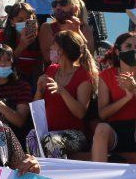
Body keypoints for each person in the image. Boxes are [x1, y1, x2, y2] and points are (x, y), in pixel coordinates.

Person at [27, 30, 97, 159]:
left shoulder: (83, 76)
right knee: (32, 136)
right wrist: (39, 90)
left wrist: (62, 91)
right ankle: (38, 171)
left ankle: (55, 171)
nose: (50, 48)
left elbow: (80, 112)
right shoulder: (51, 69)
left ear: (61, 50)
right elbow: (36, 107)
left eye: (54, 45)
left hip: (75, 135)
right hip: (49, 131)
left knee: (51, 141)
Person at [93, 32, 136, 164]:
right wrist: (126, 98)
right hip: (115, 132)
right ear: (118, 51)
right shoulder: (106, 75)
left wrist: (135, 87)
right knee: (101, 128)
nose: (133, 50)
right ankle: (99, 173)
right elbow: (103, 114)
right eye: (128, 46)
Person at [0, 43, 31, 139]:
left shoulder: (22, 86)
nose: (3, 64)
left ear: (13, 64)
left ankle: (2, 147)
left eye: (8, 60)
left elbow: (20, 121)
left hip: (15, 138)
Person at [37, 0, 96, 64]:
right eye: (54, 4)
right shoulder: (47, 27)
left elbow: (89, 56)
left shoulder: (84, 27)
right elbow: (48, 58)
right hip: (56, 70)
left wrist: (77, 32)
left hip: (79, 70)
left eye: (63, 3)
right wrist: (66, 37)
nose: (58, 7)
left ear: (75, 8)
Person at [0, 3, 42, 86]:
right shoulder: (1, 37)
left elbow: (39, 68)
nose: (25, 23)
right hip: (8, 79)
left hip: (31, 80)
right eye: (20, 20)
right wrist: (21, 46)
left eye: (28, 19)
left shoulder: (40, 37)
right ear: (12, 22)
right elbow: (2, 66)